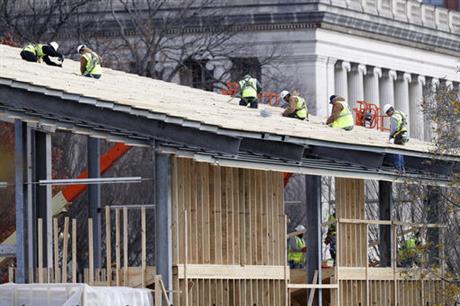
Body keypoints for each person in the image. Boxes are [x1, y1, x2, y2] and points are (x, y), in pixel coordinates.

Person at [382, 104, 409, 171]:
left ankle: (398, 168)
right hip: (404, 134)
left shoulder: (394, 117)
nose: (388, 115)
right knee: (401, 151)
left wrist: (390, 136)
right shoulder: (399, 113)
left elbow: (394, 129)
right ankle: (402, 168)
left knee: (396, 151)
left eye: (387, 113)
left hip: (399, 135)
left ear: (389, 111)